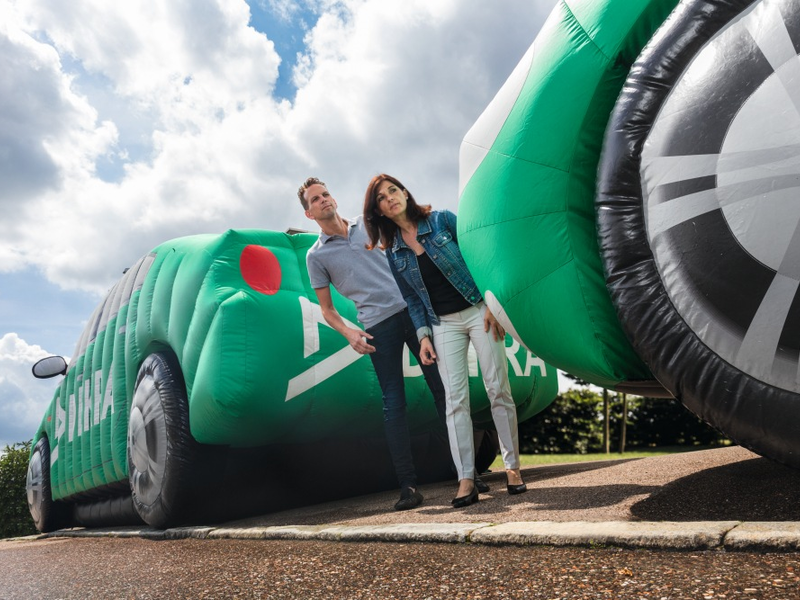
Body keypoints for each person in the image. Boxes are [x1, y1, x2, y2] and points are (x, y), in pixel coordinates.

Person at [363, 173, 527, 509]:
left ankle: (512, 469)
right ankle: (466, 477)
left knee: (498, 388)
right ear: (378, 210)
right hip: (443, 325)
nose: (390, 197)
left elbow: (478, 255)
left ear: (405, 192)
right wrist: (423, 336)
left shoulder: (441, 220)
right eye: (382, 197)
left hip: (478, 310)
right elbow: (411, 298)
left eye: (394, 190)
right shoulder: (394, 253)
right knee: (455, 401)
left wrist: (491, 304)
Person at [299, 176, 457, 511]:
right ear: (309, 214)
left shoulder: (371, 226)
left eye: (325, 194)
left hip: (413, 313)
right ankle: (408, 486)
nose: (324, 200)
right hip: (376, 327)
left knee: (442, 390)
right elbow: (327, 310)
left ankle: (465, 472)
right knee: (393, 404)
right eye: (315, 200)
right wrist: (350, 333)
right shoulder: (316, 257)